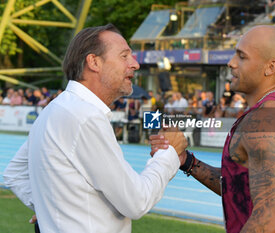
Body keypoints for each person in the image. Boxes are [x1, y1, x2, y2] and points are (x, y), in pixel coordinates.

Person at [3, 24, 187, 233]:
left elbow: (14, 173)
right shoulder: (85, 117)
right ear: (94, 62)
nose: (135, 64)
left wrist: (48, 210)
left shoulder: (55, 108)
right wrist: (169, 152)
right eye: (124, 56)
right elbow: (137, 202)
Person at [150, 25, 275, 232]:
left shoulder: (266, 119)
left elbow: (269, 220)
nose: (231, 63)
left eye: (242, 56)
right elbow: (241, 186)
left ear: (270, 67)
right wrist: (187, 161)